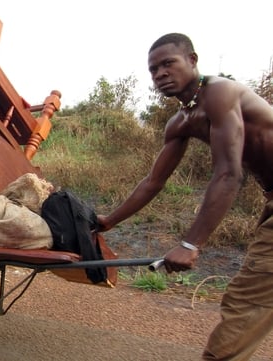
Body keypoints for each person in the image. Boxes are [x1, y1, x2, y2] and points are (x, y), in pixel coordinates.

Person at [97, 33, 273, 360]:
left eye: (168, 64)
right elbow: (153, 182)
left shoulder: (220, 93)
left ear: (192, 60)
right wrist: (108, 221)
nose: (160, 73)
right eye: (153, 70)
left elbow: (228, 173)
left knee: (247, 300)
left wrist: (191, 244)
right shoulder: (180, 122)